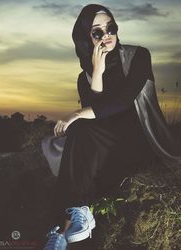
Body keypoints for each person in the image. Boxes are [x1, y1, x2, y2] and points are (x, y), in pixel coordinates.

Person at [43, 4, 181, 250]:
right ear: (86, 37)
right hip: (106, 149)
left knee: (78, 129)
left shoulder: (138, 56)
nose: (107, 35)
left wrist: (76, 113)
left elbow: (123, 101)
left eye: (111, 28)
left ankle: (62, 229)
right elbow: (95, 119)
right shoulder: (84, 77)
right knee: (81, 131)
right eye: (97, 32)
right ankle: (67, 229)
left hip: (141, 142)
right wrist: (97, 73)